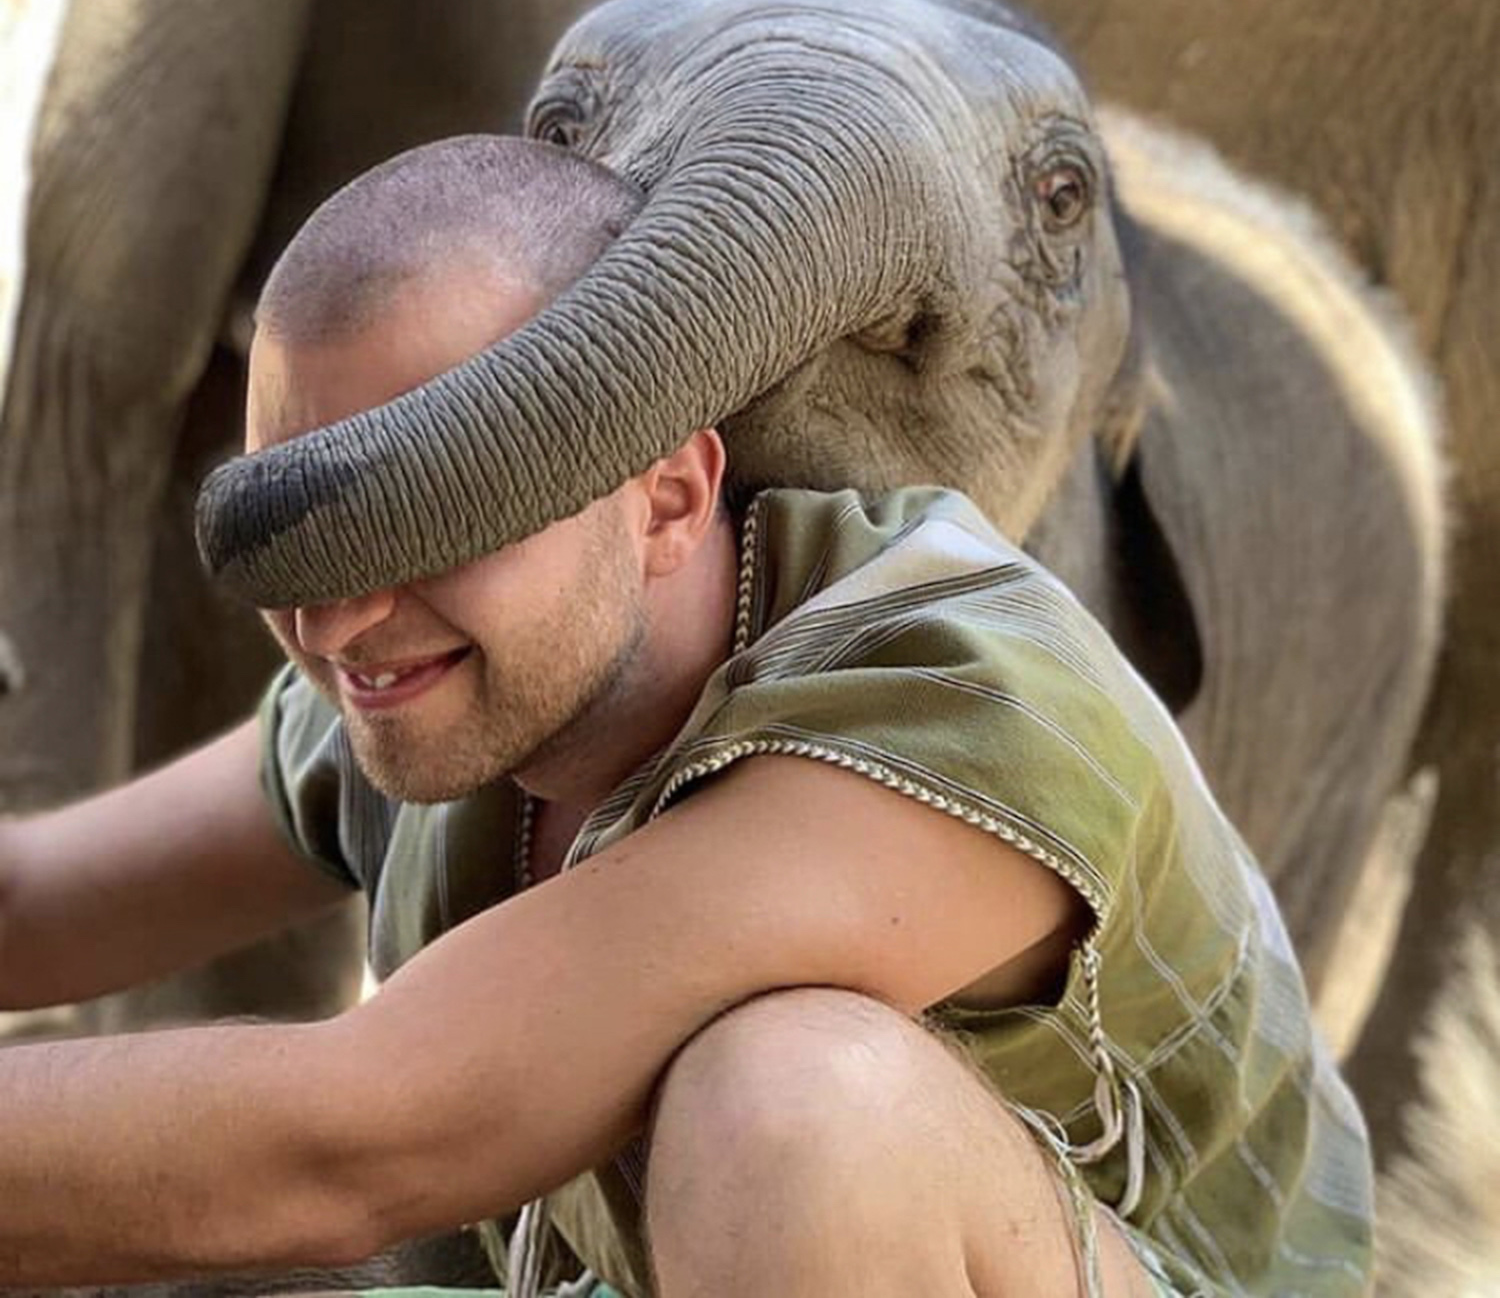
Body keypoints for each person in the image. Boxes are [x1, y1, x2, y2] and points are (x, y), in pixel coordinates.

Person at [0, 135, 1372, 1298]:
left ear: (666, 497)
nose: (341, 625)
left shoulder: (948, 703)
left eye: (437, 526)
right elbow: (31, 907)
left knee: (799, 1109)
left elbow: (358, 1139)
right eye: (305, 546)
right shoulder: (444, 674)